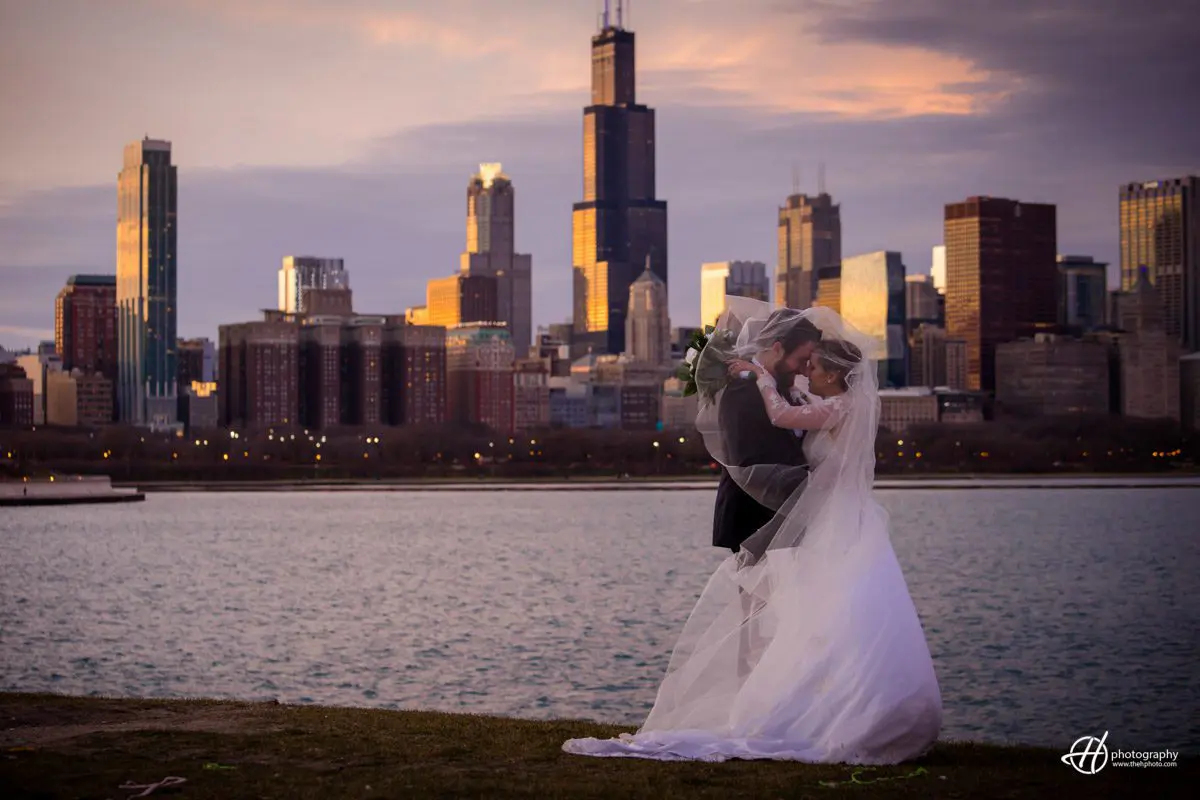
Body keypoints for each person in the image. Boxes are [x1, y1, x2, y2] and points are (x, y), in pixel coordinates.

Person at [563, 303, 942, 764]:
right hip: (768, 511)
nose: (806, 369)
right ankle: (789, 700)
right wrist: (760, 382)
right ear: (778, 347)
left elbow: (786, 422)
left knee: (820, 613)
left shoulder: (811, 397)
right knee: (792, 612)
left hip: (819, 518)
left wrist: (767, 382)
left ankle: (813, 703)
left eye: (814, 364)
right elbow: (750, 451)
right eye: (804, 359)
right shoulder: (755, 391)